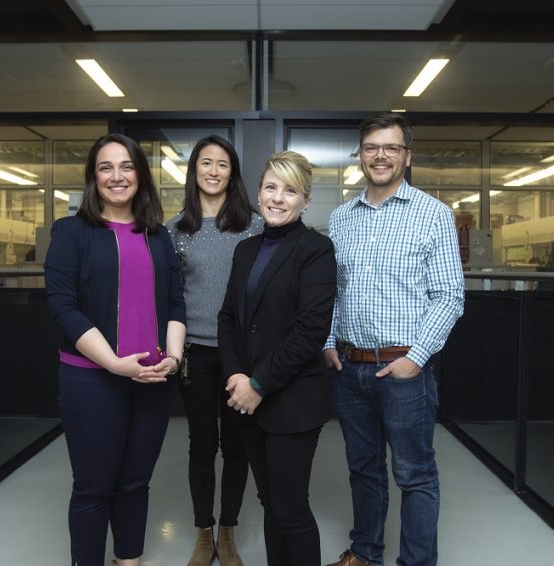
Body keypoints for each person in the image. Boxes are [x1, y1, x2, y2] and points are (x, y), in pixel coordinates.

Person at [323, 112, 465, 566]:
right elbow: (334, 292)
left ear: (407, 156)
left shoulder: (433, 214)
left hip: (404, 370)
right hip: (349, 368)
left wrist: (416, 359)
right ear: (360, 155)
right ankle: (365, 552)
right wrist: (328, 343)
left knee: (414, 474)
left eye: (390, 148)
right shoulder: (341, 217)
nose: (379, 156)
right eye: (371, 148)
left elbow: (449, 297)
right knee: (363, 469)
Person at [44, 133, 186, 566]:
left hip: (153, 381)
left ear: (140, 174)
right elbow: (62, 305)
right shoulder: (71, 232)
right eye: (106, 167)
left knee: (135, 483)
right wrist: (114, 364)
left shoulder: (157, 235)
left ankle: (129, 561)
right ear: (93, 177)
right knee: (93, 486)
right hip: (92, 379)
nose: (117, 176)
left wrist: (174, 360)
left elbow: (176, 302)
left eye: (126, 166)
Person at [219, 151, 337, 566]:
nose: (278, 198)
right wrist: (235, 374)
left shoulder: (317, 250)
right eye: (271, 187)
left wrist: (257, 384)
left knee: (290, 509)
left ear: (305, 202)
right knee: (270, 502)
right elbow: (229, 318)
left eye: (290, 191)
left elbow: (309, 332)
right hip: (246, 401)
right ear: (259, 193)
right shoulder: (246, 251)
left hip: (291, 401)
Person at [165, 135, 262, 566]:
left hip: (240, 355)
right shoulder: (176, 230)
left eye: (223, 164)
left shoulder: (255, 225)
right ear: (194, 171)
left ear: (232, 173)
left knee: (237, 447)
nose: (213, 171)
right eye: (205, 162)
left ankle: (228, 532)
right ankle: (203, 534)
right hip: (196, 354)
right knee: (202, 446)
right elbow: (169, 297)